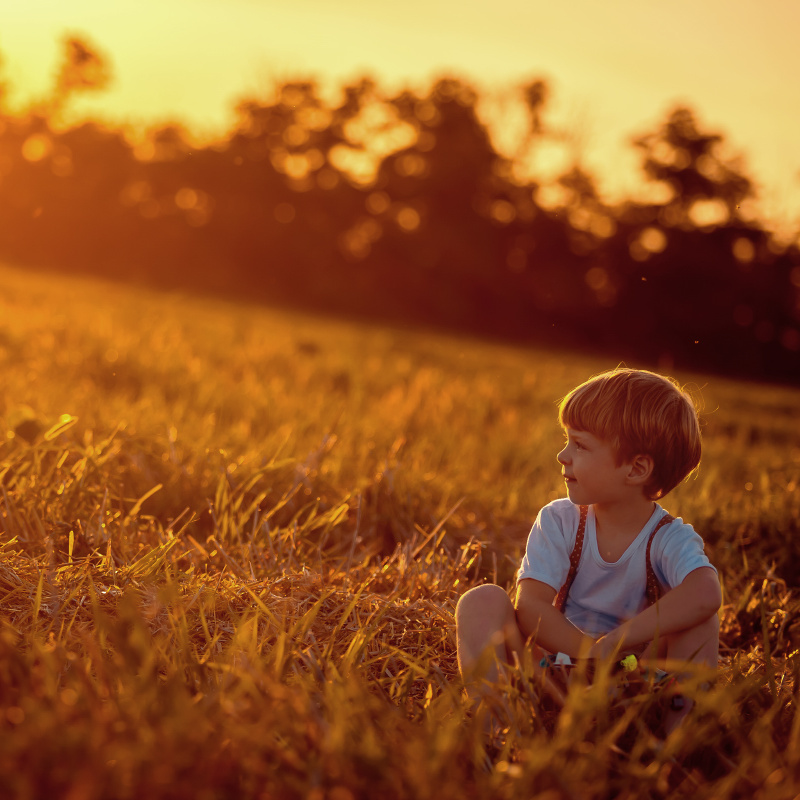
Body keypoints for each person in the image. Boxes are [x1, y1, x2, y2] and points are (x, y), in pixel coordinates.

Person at [455, 367, 721, 731]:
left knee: (701, 620)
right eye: (567, 441)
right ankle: (495, 723)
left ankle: (674, 740)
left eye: (580, 445)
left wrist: (617, 645)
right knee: (481, 600)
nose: (563, 455)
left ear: (636, 468)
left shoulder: (669, 537)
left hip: (630, 675)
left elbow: (706, 592)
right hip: (553, 665)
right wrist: (592, 653)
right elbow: (530, 606)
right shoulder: (560, 520)